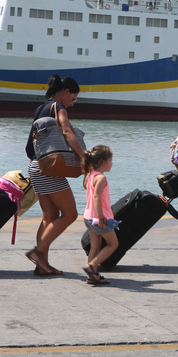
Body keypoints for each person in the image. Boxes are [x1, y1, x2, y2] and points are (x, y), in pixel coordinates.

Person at [24, 75, 85, 276]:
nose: (72, 104)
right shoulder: (59, 108)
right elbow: (67, 132)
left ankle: (42, 265)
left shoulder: (40, 109)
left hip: (36, 166)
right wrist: (84, 156)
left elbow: (32, 144)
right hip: (49, 169)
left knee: (49, 216)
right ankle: (38, 253)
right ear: (66, 92)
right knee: (70, 214)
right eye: (73, 99)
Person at [81, 145, 116, 285]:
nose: (112, 163)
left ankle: (92, 276)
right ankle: (92, 266)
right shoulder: (100, 178)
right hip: (98, 217)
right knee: (113, 244)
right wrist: (101, 217)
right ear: (103, 162)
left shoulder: (90, 175)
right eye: (110, 160)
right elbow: (97, 197)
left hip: (88, 216)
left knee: (95, 246)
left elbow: (88, 189)